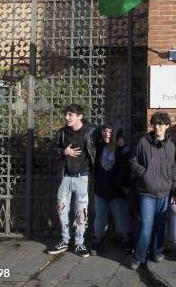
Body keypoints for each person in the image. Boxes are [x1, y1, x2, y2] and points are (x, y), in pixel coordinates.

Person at [47, 104, 97, 258]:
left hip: (83, 177)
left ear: (80, 116)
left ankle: (79, 243)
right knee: (62, 210)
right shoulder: (62, 133)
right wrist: (64, 151)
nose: (67, 117)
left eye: (70, 114)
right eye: (66, 114)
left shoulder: (91, 132)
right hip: (65, 177)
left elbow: (104, 142)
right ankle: (64, 240)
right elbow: (51, 150)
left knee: (81, 212)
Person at [128, 112, 176, 269]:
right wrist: (144, 174)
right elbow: (133, 162)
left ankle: (156, 251)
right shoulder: (143, 142)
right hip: (146, 192)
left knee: (160, 225)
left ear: (167, 126)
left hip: (164, 191)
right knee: (146, 224)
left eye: (161, 124)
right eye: (155, 124)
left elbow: (172, 167)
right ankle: (138, 256)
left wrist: (173, 184)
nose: (157, 127)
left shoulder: (170, 145)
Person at [91, 124, 132, 256]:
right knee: (100, 218)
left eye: (110, 132)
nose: (107, 134)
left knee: (121, 217)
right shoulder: (98, 146)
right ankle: (98, 240)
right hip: (101, 188)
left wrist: (124, 185)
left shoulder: (122, 148)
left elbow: (127, 165)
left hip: (117, 189)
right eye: (104, 131)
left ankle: (126, 240)